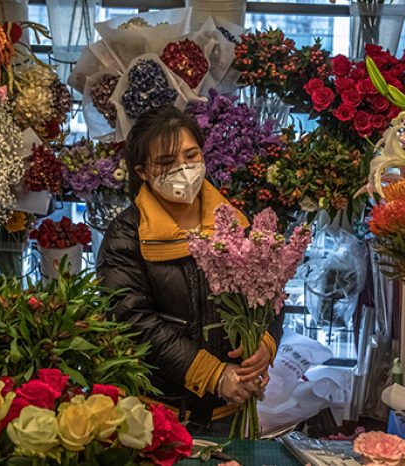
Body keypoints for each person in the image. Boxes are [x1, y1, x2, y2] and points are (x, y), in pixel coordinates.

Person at [97, 105, 283, 435]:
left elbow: (268, 290)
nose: (183, 169)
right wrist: (211, 374)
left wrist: (265, 343)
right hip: (161, 416)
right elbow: (131, 319)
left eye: (190, 155)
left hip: (232, 411)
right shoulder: (127, 235)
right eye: (166, 163)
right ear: (142, 171)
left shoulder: (234, 221)